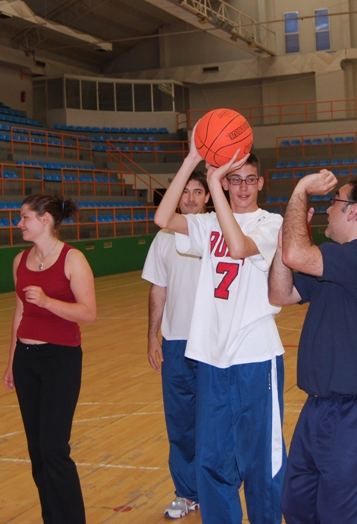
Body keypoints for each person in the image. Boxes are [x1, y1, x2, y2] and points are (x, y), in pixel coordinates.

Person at [153, 143, 286, 524]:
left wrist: (214, 183)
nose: (242, 188)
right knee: (212, 459)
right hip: (210, 356)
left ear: (260, 183)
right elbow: (163, 217)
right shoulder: (206, 223)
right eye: (234, 180)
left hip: (255, 354)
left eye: (249, 180)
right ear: (226, 184)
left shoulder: (270, 223)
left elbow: (239, 246)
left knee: (262, 460)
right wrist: (192, 160)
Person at [268, 172, 357, 524]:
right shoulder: (337, 263)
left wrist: (300, 191)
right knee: (298, 506)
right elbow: (279, 294)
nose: (328, 209)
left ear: (354, 212)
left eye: (334, 202)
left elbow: (300, 255)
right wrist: (286, 237)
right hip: (319, 409)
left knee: (344, 516)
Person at [4, 194, 96, 524]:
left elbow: (88, 313)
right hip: (26, 360)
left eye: (24, 217)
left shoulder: (73, 260)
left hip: (61, 359)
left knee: (54, 448)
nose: (19, 224)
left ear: (45, 220)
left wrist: (46, 301)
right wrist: (11, 361)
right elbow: (19, 312)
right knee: (37, 452)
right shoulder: (20, 261)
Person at [141, 171, 209, 519]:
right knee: (181, 423)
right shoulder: (164, 238)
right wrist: (153, 335)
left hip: (215, 344)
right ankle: (187, 492)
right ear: (177, 198)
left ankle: (216, 489)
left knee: (215, 422)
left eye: (198, 191)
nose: (192, 198)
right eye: (186, 192)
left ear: (209, 197)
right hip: (177, 344)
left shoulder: (218, 231)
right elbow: (158, 288)